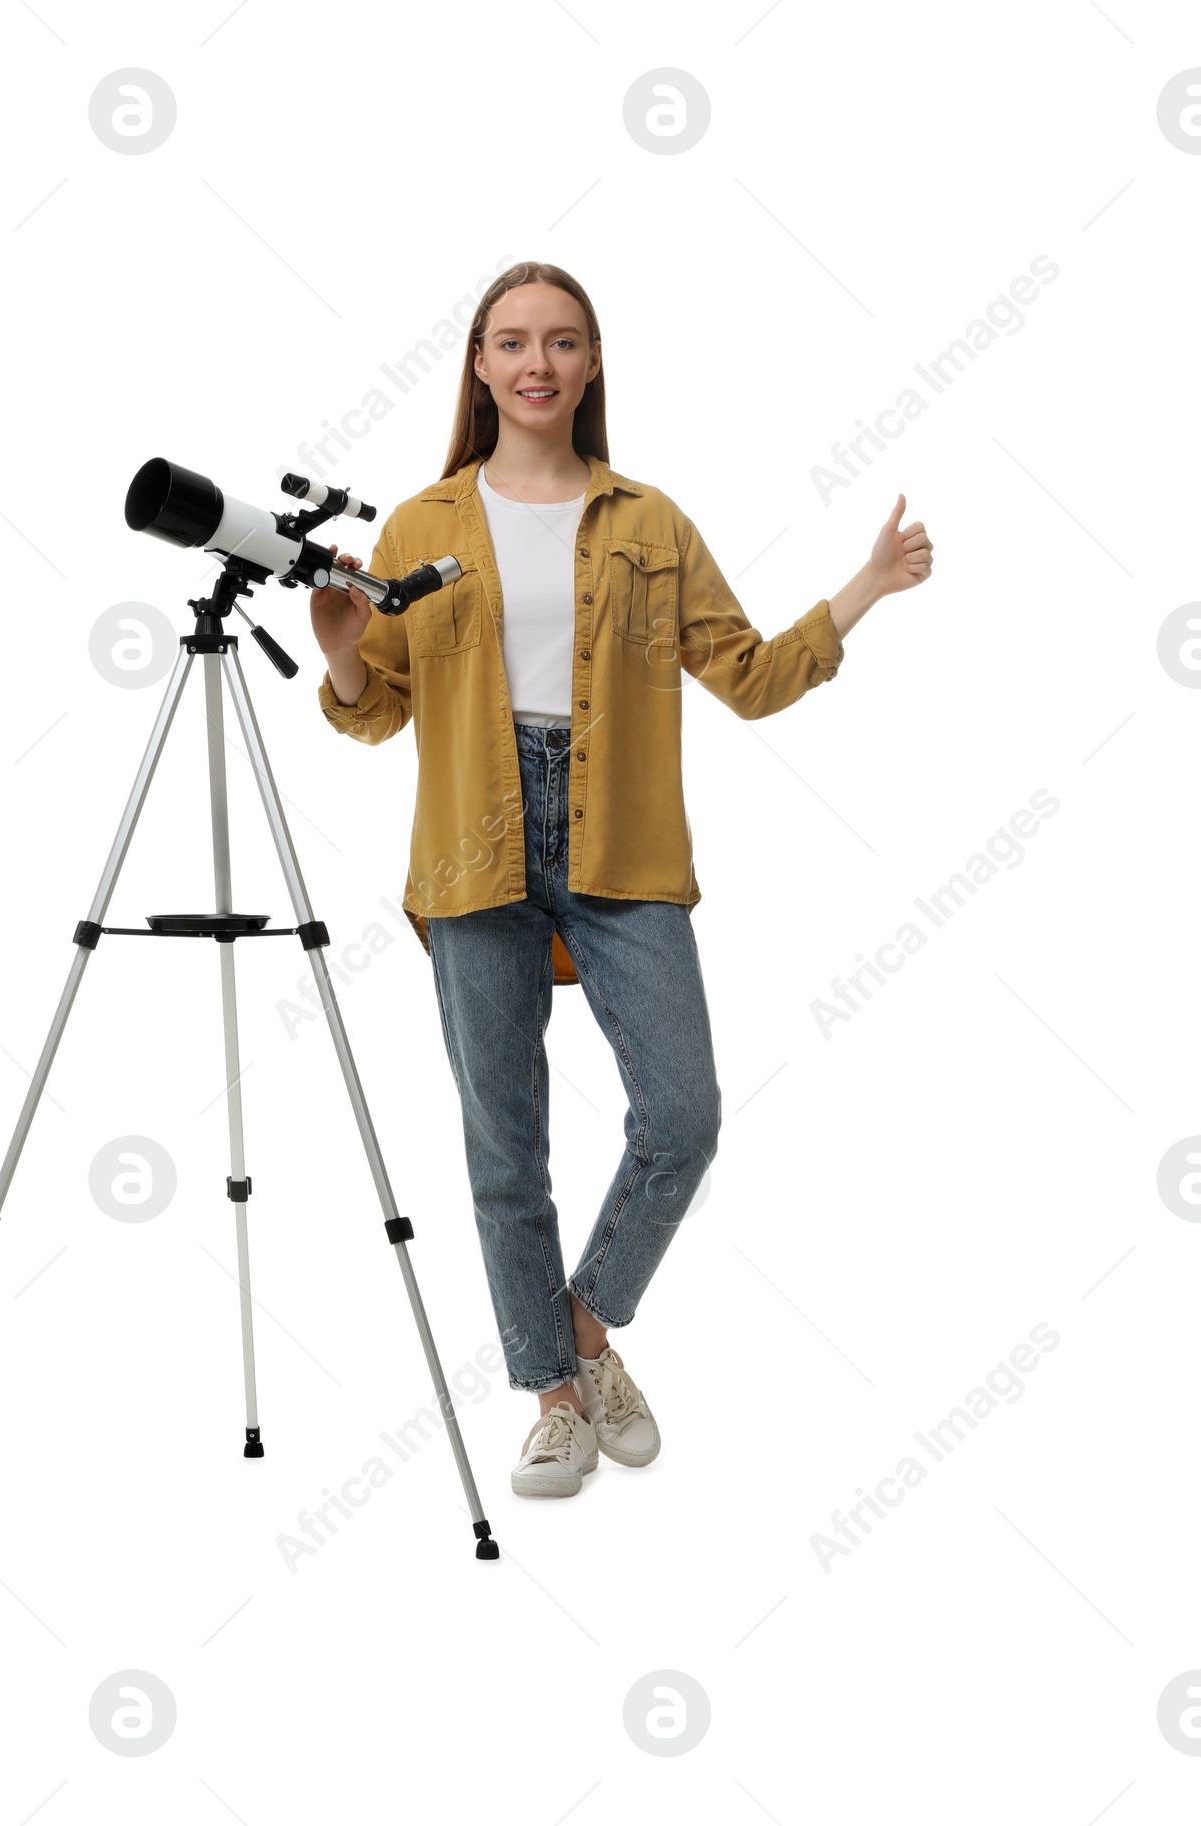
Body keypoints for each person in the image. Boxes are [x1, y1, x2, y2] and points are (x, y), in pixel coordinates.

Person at [308, 260, 933, 1500]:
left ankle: (584, 1329)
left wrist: (860, 588)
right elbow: (371, 713)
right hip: (470, 851)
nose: (536, 362)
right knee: (505, 1143)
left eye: (561, 341)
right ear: (479, 367)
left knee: (683, 1113)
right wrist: (337, 657)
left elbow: (749, 675)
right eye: (511, 342)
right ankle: (549, 1398)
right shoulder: (421, 525)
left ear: (591, 365)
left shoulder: (649, 522)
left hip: (625, 846)